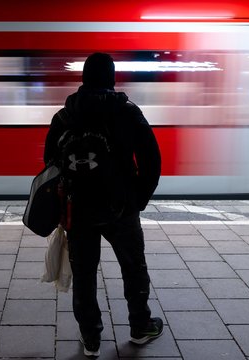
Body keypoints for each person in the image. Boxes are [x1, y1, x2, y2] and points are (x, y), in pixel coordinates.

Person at [43, 53, 163, 357]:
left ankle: (91, 338)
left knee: (84, 273)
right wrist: (138, 199)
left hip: (78, 208)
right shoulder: (127, 111)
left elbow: (50, 162)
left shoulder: (64, 116)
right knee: (133, 267)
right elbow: (152, 159)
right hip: (121, 206)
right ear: (112, 78)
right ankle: (139, 327)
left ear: (83, 78)